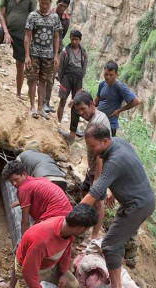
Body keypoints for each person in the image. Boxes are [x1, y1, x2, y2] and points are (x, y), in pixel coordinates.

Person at [80, 123, 155, 288]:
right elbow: (132, 167)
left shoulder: (114, 160)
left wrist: (76, 213)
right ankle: (116, 279)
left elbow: (96, 190)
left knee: (109, 245)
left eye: (92, 146)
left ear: (105, 141)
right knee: (115, 241)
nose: (91, 150)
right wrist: (114, 191)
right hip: (140, 200)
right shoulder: (119, 142)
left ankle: (116, 286)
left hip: (137, 206)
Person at [13, 204, 98, 288]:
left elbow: (65, 253)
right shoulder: (42, 241)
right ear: (81, 228)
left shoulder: (67, 230)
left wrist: (63, 274)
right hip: (28, 268)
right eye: (87, 229)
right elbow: (28, 272)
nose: (87, 231)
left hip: (48, 264)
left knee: (73, 285)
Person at [71, 91, 110, 241]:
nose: (81, 113)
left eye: (83, 109)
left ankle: (93, 236)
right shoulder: (98, 116)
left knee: (98, 203)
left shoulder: (96, 123)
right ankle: (84, 226)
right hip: (92, 169)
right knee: (85, 192)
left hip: (99, 170)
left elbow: (100, 154)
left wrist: (97, 179)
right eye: (78, 111)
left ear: (91, 104)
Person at [2, 160, 71, 236]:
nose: (14, 184)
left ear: (24, 174)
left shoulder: (23, 189)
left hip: (56, 218)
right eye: (11, 182)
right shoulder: (37, 180)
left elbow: (25, 220)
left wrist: (24, 240)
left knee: (35, 238)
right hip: (68, 215)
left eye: (16, 179)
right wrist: (22, 201)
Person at [24, 0, 62, 119]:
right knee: (32, 80)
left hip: (48, 56)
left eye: (47, 4)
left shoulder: (55, 18)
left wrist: (56, 55)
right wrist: (27, 55)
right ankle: (32, 107)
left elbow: (56, 37)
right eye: (42, 3)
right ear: (38, 1)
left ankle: (40, 107)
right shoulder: (32, 16)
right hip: (34, 54)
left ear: (51, 2)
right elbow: (27, 36)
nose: (44, 6)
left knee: (43, 81)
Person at [56, 30, 88, 144]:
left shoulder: (83, 52)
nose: (74, 41)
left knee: (76, 104)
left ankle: (72, 132)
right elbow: (61, 67)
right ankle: (57, 125)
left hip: (78, 79)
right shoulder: (65, 51)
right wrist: (61, 78)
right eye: (72, 39)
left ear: (80, 40)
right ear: (70, 38)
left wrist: (80, 77)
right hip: (67, 78)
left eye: (76, 39)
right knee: (62, 101)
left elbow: (84, 68)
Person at [95, 61, 141, 136]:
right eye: (106, 74)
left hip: (110, 124)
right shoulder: (102, 84)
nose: (108, 77)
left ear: (116, 74)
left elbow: (136, 101)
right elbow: (95, 102)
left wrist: (119, 110)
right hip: (99, 121)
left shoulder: (119, 86)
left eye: (111, 75)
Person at [44, 0, 71, 114]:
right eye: (61, 5)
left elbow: (62, 35)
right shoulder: (49, 14)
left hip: (57, 50)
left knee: (51, 76)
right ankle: (41, 102)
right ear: (57, 3)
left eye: (65, 6)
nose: (62, 8)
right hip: (45, 47)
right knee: (43, 74)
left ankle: (46, 102)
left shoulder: (66, 19)